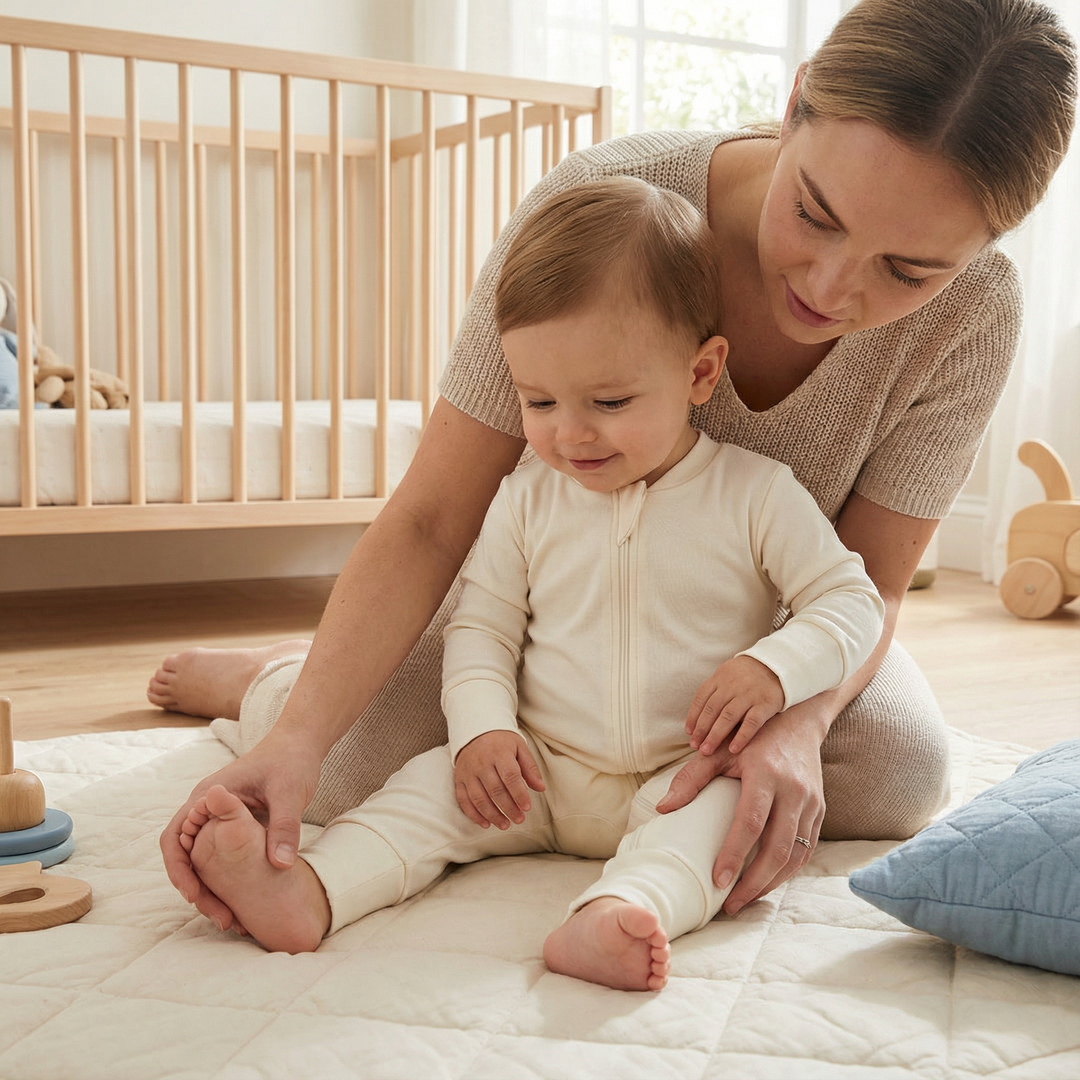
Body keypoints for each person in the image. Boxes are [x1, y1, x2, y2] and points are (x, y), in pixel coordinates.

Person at [153, 0, 1077, 938]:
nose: (830, 287)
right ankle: (274, 677)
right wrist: (298, 738)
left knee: (897, 774)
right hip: (553, 620)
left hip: (759, 650)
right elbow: (433, 519)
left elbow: (869, 581)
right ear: (795, 102)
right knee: (343, 767)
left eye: (908, 272)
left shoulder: (976, 313)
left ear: (985, 246)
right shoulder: (602, 206)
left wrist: (795, 723)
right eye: (814, 213)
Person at [179, 179, 886, 990]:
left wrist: (775, 669)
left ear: (700, 372)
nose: (570, 433)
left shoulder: (756, 494)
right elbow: (482, 629)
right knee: (423, 791)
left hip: (683, 770)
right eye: (538, 400)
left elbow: (852, 602)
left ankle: (621, 911)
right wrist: (481, 731)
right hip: (535, 767)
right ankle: (311, 890)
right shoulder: (524, 499)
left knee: (723, 821)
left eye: (610, 400)